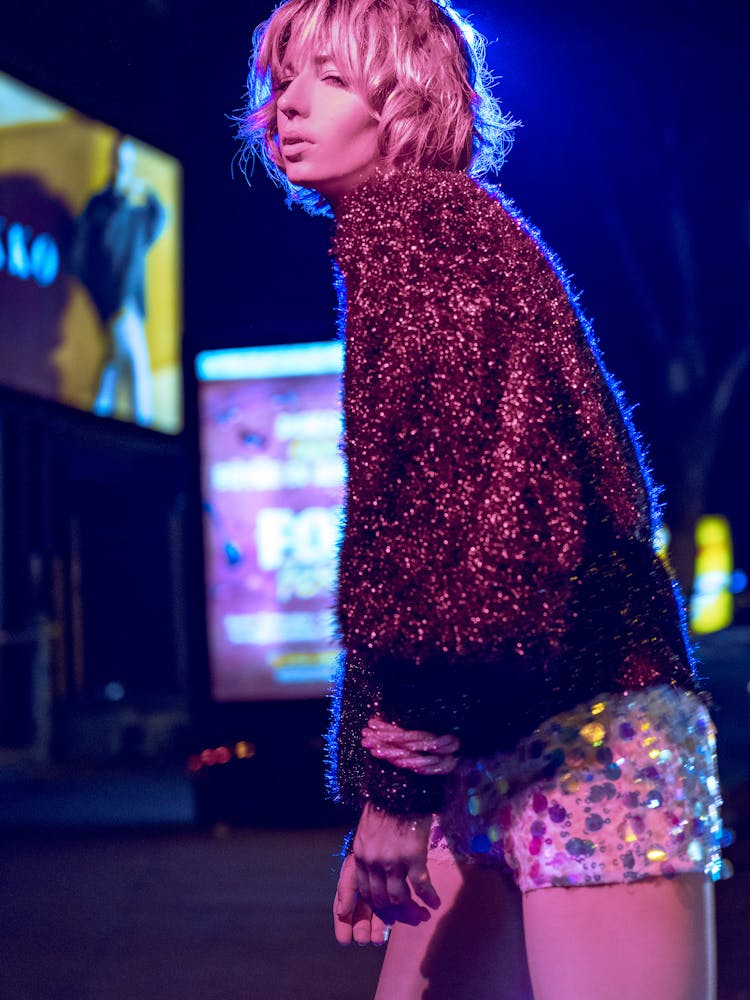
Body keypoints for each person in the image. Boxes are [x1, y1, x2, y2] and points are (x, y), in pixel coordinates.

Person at [239, 1, 725, 997]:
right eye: (285, 75)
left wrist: (398, 793)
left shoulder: (430, 234)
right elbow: (431, 534)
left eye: (329, 77)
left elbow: (471, 541)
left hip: (592, 734)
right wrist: (398, 792)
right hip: (497, 737)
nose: (290, 101)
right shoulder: (408, 241)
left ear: (406, 98)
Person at [70, 135, 165, 427]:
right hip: (113, 300)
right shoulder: (101, 205)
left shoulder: (136, 206)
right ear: (113, 161)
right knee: (137, 368)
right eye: (120, 159)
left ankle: (94, 426)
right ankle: (143, 427)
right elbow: (87, 253)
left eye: (129, 159)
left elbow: (157, 222)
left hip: (131, 300)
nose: (124, 165)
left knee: (112, 367)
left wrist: (145, 195)